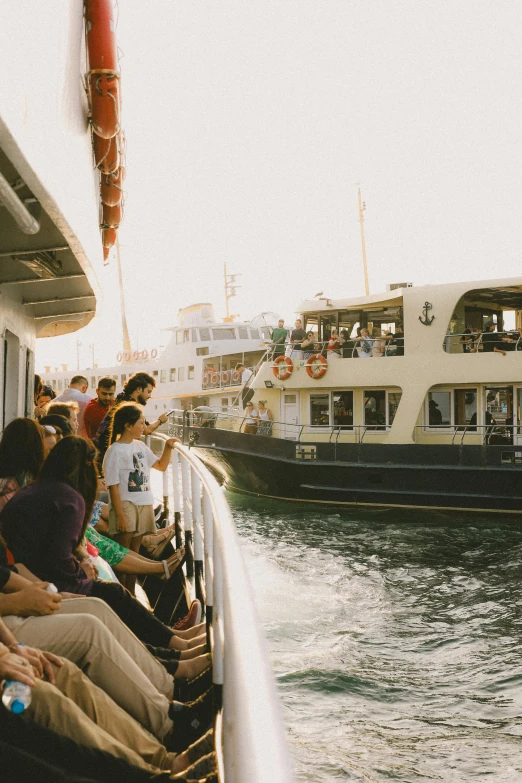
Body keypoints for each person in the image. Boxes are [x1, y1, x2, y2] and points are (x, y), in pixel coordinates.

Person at [0, 436, 213, 662]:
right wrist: (82, 572)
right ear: (87, 467)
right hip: (42, 580)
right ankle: (175, 648)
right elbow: (59, 560)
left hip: (26, 571)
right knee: (113, 596)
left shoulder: (35, 490)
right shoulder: (70, 499)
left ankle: (175, 641)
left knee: (112, 595)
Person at [102, 403, 180, 592]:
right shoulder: (115, 451)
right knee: (123, 553)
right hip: (126, 504)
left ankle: (131, 592)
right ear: (128, 426)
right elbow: (112, 486)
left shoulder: (140, 446)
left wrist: (168, 447)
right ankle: (121, 593)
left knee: (135, 551)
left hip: (144, 502)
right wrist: (119, 514)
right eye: (141, 422)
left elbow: (160, 466)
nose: (144, 426)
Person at [95, 372, 169, 469]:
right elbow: (147, 430)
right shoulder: (130, 407)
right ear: (138, 389)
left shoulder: (122, 398)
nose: (150, 396)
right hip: (107, 455)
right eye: (149, 391)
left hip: (101, 451)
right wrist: (161, 420)